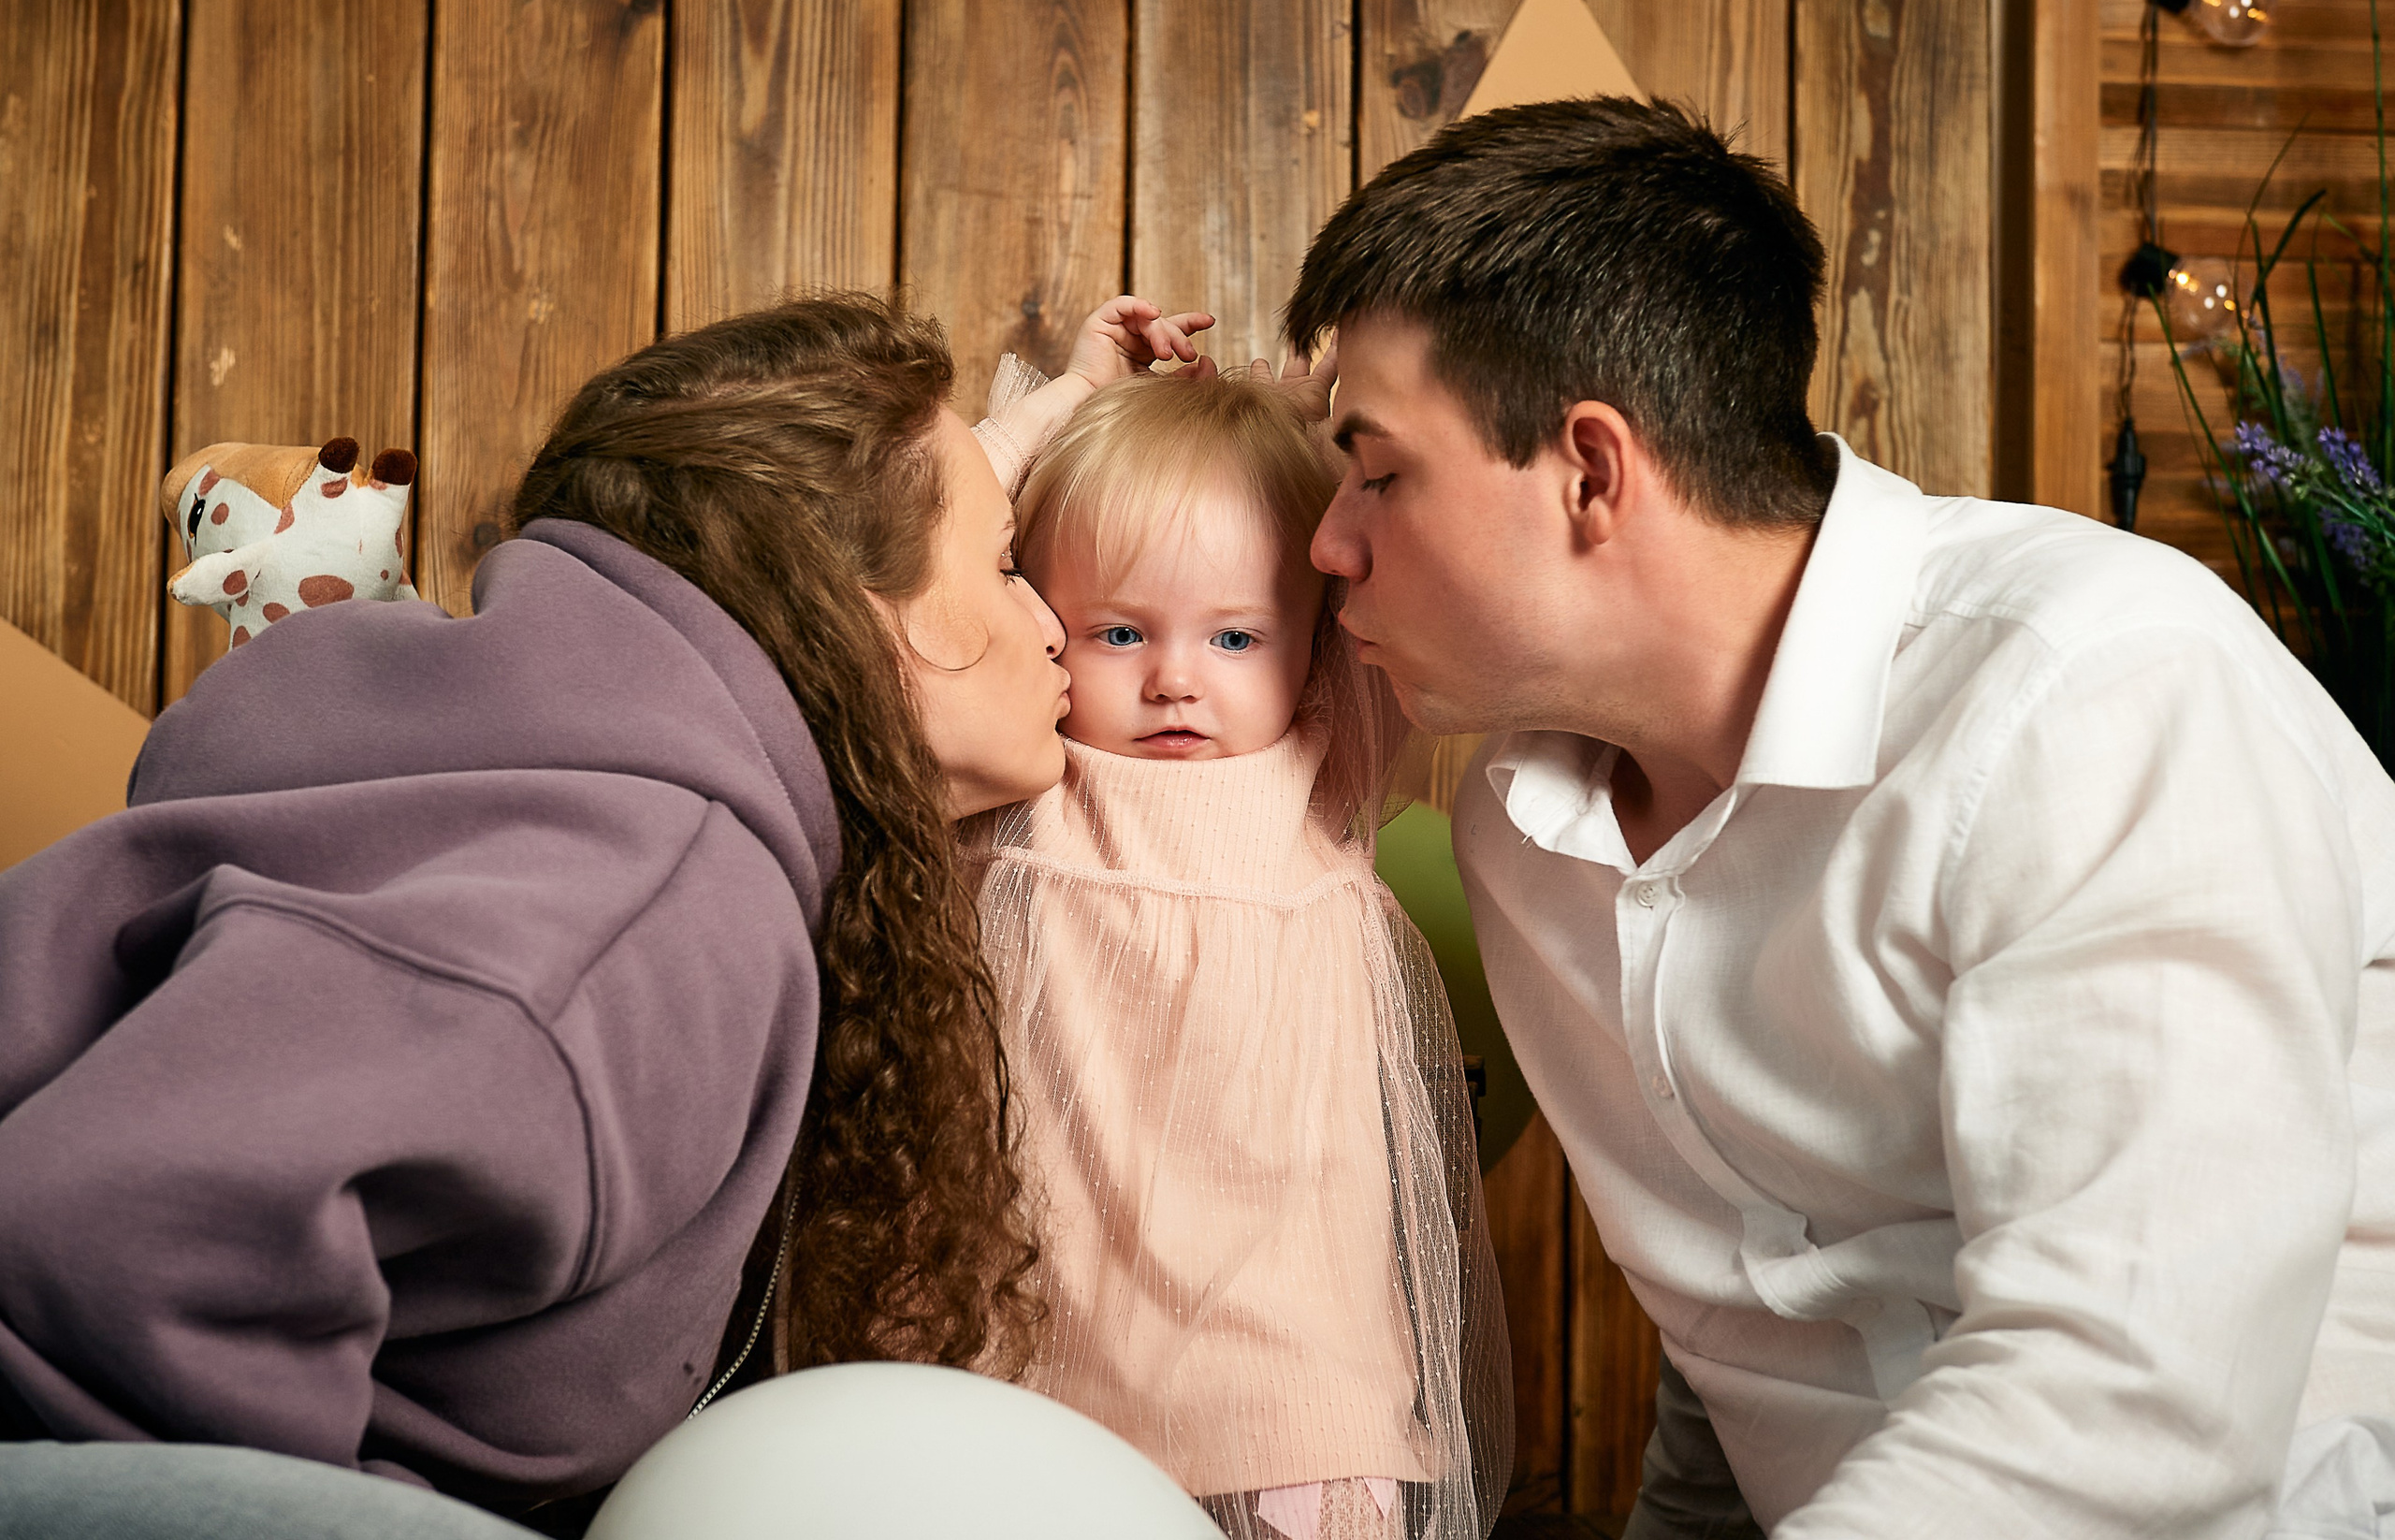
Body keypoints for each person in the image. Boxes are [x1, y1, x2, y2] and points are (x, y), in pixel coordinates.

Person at [1285, 95, 2395, 1538]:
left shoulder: (2098, 688)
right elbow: (1747, 1323)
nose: (1330, 542)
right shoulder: (1522, 833)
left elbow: (2133, 1402)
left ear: (1591, 472)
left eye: (1378, 471)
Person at [0, 291, 1198, 1536]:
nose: (1050, 626)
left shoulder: (558, 763)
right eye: (1003, 565)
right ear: (848, 599)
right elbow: (111, 1233)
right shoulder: (645, 913)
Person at [965, 367, 1510, 1540]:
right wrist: (1030, 430)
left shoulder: (1318, 771)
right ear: (1037, 620)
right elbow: (880, 617)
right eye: (1118, 632)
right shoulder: (1016, 787)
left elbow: (1432, 579)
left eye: (1234, 635)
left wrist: (1328, 444)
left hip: (1297, 1398)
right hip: (1054, 1385)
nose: (1175, 678)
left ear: (1313, 645)